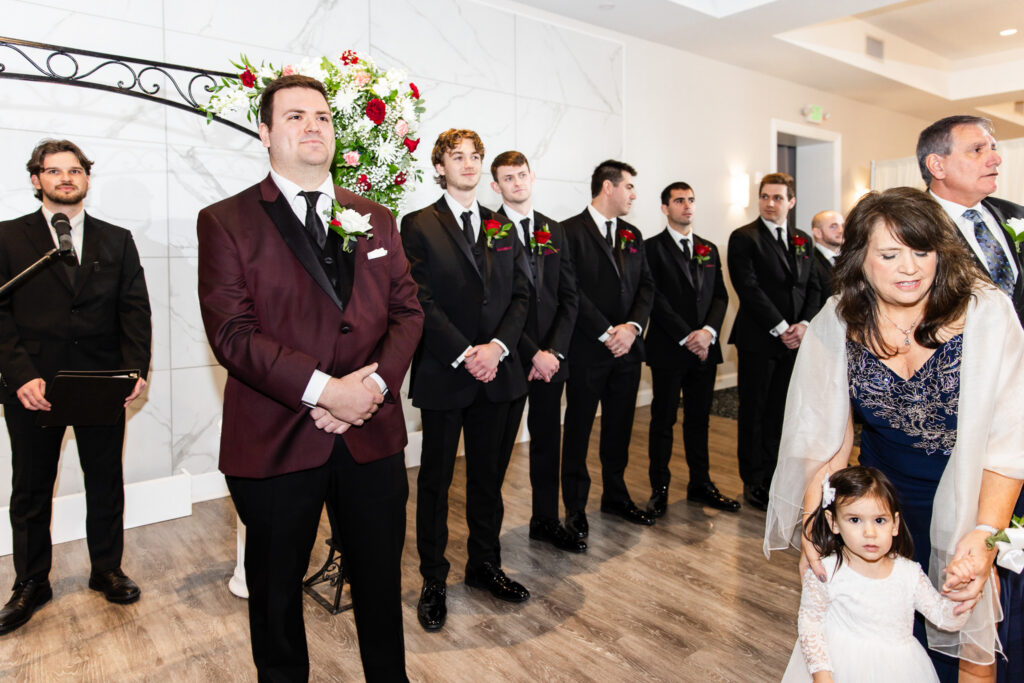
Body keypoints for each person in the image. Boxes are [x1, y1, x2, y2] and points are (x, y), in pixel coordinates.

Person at [197, 75, 423, 681]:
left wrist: (372, 390)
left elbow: (407, 312)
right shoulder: (226, 221)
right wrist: (328, 391)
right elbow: (233, 334)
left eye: (322, 116)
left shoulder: (375, 217)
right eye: (294, 116)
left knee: (380, 583)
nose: (312, 125)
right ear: (265, 133)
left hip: (371, 435)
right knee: (275, 596)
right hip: (277, 437)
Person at [766, 187, 1024, 682]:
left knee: (974, 645)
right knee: (884, 641)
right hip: (885, 507)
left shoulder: (987, 312)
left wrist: (985, 533)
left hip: (980, 495)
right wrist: (816, 525)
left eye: (922, 251)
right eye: (889, 255)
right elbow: (826, 444)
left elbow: (1009, 438)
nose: (910, 268)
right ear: (859, 260)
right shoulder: (838, 322)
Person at [0, 139, 151, 635]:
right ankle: (31, 582)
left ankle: (106, 568)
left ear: (86, 177)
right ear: (36, 179)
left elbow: (134, 307)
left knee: (105, 480)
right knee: (30, 488)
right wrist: (20, 374)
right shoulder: (7, 237)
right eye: (54, 170)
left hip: (100, 383)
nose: (66, 178)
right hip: (33, 385)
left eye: (75, 170)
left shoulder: (117, 239)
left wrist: (135, 368)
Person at [401, 129, 531, 633]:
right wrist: (464, 352)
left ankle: (484, 565)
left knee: (488, 479)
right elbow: (420, 299)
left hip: (496, 372)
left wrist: (496, 348)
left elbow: (521, 295)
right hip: (445, 371)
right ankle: (433, 579)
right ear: (440, 166)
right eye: (458, 157)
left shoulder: (501, 225)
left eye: (476, 156)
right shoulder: (418, 224)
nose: (470, 164)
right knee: (435, 483)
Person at [781, 467, 976, 683]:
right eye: (855, 520)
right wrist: (822, 675)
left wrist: (962, 593)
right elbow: (811, 624)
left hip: (900, 672)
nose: (870, 533)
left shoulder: (909, 573)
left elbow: (945, 618)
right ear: (833, 522)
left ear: (895, 524)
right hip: (840, 668)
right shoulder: (826, 572)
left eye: (879, 520)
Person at [490, 151, 585, 554]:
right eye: (507, 178)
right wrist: (532, 353)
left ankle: (545, 520)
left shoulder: (553, 229)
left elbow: (569, 296)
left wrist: (554, 351)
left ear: (532, 177)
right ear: (495, 186)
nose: (517, 183)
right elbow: (496, 304)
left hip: (551, 359)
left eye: (521, 175)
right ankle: (486, 539)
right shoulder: (489, 228)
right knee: (497, 451)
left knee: (547, 442)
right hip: (511, 358)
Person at [560, 159, 656, 539]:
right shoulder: (568, 231)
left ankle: (615, 496)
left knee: (619, 429)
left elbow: (646, 286)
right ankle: (575, 508)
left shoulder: (632, 234)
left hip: (627, 350)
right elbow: (570, 289)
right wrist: (605, 332)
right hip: (587, 350)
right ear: (608, 187)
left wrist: (631, 328)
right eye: (629, 186)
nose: (633, 194)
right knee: (579, 430)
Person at [727, 172, 820, 511]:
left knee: (782, 412)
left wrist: (804, 325)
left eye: (778, 197)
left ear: (791, 202)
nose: (770, 203)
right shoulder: (744, 237)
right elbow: (747, 287)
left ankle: (776, 475)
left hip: (795, 341)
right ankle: (754, 480)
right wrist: (781, 327)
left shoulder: (802, 239)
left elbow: (813, 286)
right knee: (754, 412)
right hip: (759, 339)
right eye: (765, 196)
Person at [644, 182, 737, 516]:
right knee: (663, 420)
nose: (687, 206)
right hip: (669, 348)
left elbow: (720, 296)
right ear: (665, 208)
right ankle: (659, 488)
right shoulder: (650, 248)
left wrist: (708, 332)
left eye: (691, 200)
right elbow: (654, 298)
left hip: (705, 350)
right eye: (679, 200)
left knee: (699, 420)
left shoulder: (707, 248)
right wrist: (688, 336)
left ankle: (701, 483)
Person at [918, 115, 1024, 325]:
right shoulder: (908, 227)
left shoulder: (1017, 215)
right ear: (937, 166)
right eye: (977, 150)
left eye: (993, 148)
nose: (996, 158)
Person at [810, 209, 844, 295]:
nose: (841, 230)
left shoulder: (848, 258)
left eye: (843, 226)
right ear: (818, 232)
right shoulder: (810, 260)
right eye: (833, 226)